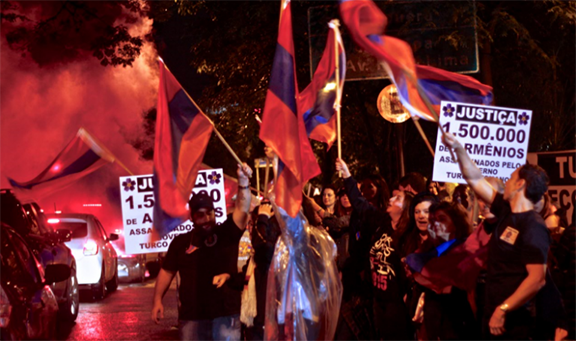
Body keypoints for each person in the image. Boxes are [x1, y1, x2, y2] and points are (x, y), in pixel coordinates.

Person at [443, 133, 550, 340]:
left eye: (510, 178)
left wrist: (503, 309)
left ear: (520, 185)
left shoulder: (533, 226)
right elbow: (475, 179)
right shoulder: (505, 210)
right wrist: (458, 148)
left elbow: (537, 279)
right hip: (493, 314)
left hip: (513, 321)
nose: (506, 181)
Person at [151, 164, 253, 341]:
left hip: (226, 315)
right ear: (192, 217)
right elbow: (167, 271)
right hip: (192, 317)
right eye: (200, 215)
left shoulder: (227, 232)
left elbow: (243, 209)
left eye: (209, 213)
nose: (206, 219)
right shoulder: (181, 242)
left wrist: (243, 182)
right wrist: (157, 300)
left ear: (215, 212)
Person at [336, 158, 413, 341]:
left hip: (398, 305)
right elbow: (361, 204)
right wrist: (347, 176)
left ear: (406, 208)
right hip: (376, 300)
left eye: (398, 198)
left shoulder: (409, 236)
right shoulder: (381, 223)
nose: (392, 199)